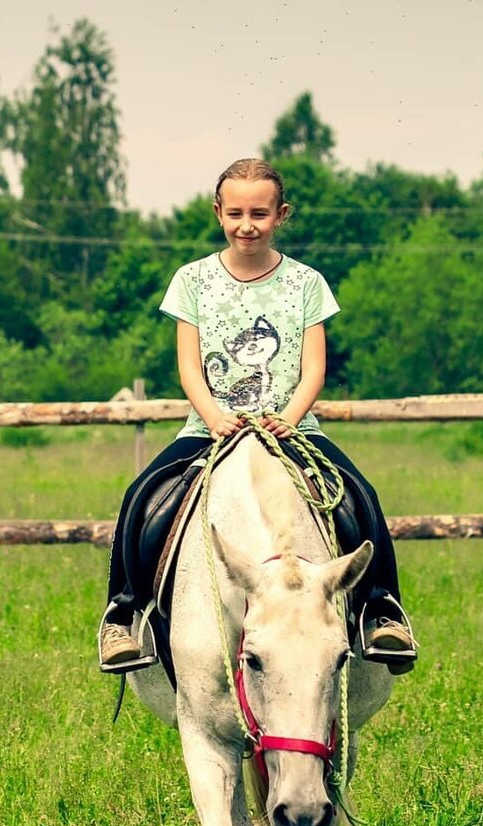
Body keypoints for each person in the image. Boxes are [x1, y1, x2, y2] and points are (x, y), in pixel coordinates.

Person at [98, 157, 416, 675]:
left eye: (261, 213)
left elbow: (315, 366)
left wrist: (290, 418)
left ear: (280, 214)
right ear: (218, 213)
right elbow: (189, 366)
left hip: (290, 429)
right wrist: (214, 415)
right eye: (237, 212)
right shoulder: (192, 280)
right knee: (141, 497)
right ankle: (124, 612)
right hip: (209, 429)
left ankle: (381, 609)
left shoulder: (307, 282)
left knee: (361, 496)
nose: (248, 224)